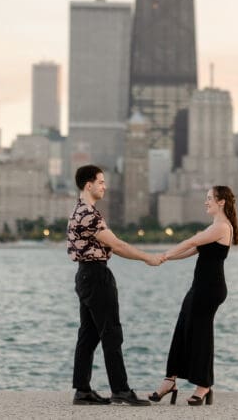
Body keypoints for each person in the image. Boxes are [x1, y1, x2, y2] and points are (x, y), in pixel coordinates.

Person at [68, 164, 163, 406]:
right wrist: (147, 257)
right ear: (88, 185)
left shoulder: (79, 211)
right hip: (96, 276)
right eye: (101, 182)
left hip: (85, 275)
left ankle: (82, 391)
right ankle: (120, 390)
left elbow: (112, 246)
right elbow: (118, 245)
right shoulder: (89, 214)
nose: (105, 186)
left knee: (88, 335)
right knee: (111, 333)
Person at [150, 185, 238, 406]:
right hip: (199, 287)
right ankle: (170, 380)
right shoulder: (213, 227)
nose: (205, 201)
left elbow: (191, 242)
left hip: (210, 289)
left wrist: (164, 254)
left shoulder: (222, 227)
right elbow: (192, 251)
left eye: (209, 198)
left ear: (221, 202)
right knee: (183, 328)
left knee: (201, 334)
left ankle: (204, 385)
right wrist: (165, 259)